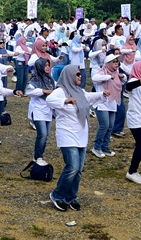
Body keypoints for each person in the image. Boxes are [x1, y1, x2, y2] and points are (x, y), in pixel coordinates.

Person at [46, 65, 109, 211]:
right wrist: (65, 101)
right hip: (67, 134)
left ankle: (70, 197)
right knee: (72, 167)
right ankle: (57, 195)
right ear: (69, 75)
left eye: (81, 74)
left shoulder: (79, 91)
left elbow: (88, 97)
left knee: (78, 170)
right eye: (77, 74)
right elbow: (49, 100)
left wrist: (102, 94)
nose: (80, 77)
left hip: (81, 134)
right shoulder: (60, 91)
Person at [91, 54, 124, 158]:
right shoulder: (102, 72)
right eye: (114, 62)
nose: (116, 64)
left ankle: (105, 147)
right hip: (102, 104)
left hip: (112, 103)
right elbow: (95, 78)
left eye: (117, 62)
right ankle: (96, 147)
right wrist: (109, 77)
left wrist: (122, 77)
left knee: (110, 127)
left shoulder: (117, 73)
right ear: (108, 63)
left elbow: (122, 82)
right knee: (104, 126)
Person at [25, 57, 55, 165]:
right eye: (45, 65)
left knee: (46, 135)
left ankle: (40, 155)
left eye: (48, 65)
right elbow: (29, 92)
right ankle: (37, 156)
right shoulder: (34, 80)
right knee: (42, 134)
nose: (47, 68)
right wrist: (43, 91)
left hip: (48, 110)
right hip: (38, 110)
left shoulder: (50, 79)